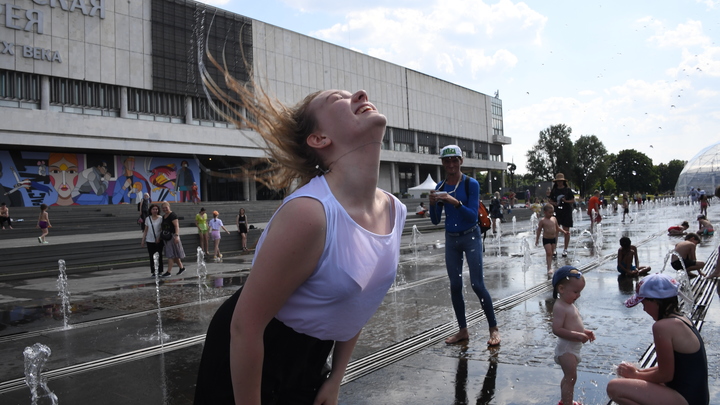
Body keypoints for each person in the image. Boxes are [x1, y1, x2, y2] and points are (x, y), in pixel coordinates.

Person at [193, 86, 406, 405]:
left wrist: (336, 377)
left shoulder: (394, 211)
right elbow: (245, 326)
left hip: (312, 360)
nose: (360, 94)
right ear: (319, 138)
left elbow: (358, 305)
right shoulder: (309, 213)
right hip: (251, 359)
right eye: (338, 99)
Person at [429, 144, 500, 347]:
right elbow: (435, 221)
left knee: (477, 284)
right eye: (447, 160)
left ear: (461, 161)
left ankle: (493, 328)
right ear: (442, 163)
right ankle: (463, 330)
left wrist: (454, 202)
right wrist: (434, 203)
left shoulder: (471, 184)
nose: (451, 164)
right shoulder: (441, 187)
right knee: (455, 285)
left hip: (470, 236)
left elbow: (472, 216)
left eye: (454, 160)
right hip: (452, 239)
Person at [607, 273, 709, 405]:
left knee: (615, 387)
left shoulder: (662, 327)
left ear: (655, 301)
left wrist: (635, 375)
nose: (643, 309)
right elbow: (671, 368)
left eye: (643, 303)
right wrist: (639, 371)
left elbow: (665, 375)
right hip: (697, 397)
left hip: (685, 399)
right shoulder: (682, 319)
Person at [551, 265, 595, 405]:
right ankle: (567, 403)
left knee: (569, 377)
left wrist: (584, 331)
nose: (579, 295)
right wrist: (577, 336)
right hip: (566, 350)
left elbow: (572, 324)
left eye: (580, 292)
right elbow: (557, 329)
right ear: (561, 289)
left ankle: (565, 401)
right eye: (576, 292)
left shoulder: (569, 304)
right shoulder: (560, 307)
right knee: (571, 378)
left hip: (572, 349)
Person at [536, 204, 569, 275]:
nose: (551, 214)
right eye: (549, 212)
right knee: (548, 253)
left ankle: (550, 265)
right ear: (545, 212)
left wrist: (564, 231)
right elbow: (539, 230)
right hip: (546, 239)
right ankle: (549, 267)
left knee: (551, 253)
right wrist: (537, 239)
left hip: (553, 239)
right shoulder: (542, 221)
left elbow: (557, 228)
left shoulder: (554, 219)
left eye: (552, 212)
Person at [549, 173, 575, 257]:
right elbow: (550, 200)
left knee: (566, 230)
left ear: (563, 182)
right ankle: (554, 249)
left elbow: (573, 200)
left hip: (566, 211)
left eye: (561, 181)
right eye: (558, 181)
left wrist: (566, 201)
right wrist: (554, 203)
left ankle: (565, 249)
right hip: (557, 211)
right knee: (556, 230)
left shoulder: (568, 190)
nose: (559, 183)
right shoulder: (554, 190)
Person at [160, 201, 186, 277]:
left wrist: (177, 235)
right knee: (174, 254)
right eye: (163, 208)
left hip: (172, 236)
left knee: (170, 254)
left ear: (169, 207)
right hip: (166, 237)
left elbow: (176, 226)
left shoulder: (172, 215)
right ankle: (182, 268)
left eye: (166, 207)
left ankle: (169, 272)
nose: (165, 209)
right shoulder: (163, 216)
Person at [141, 204, 164, 277]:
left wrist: (159, 237)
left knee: (159, 255)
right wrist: (143, 240)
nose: (155, 211)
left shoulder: (161, 218)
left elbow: (162, 229)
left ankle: (160, 271)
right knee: (152, 256)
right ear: (150, 210)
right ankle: (154, 271)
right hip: (149, 240)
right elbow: (145, 230)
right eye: (153, 209)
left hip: (158, 240)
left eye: (156, 209)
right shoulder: (148, 219)